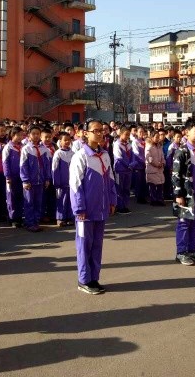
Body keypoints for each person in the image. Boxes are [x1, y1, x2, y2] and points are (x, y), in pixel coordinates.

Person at [69, 119, 117, 294]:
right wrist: (79, 208)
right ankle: (84, 280)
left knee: (97, 245)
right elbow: (75, 185)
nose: (100, 134)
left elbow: (111, 179)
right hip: (85, 212)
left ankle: (94, 277)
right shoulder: (80, 156)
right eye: (95, 131)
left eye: (101, 131)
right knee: (84, 245)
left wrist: (112, 201)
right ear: (86, 133)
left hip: (101, 209)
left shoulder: (104, 155)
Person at [172, 117, 195, 266]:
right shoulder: (182, 151)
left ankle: (193, 250)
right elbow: (175, 175)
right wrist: (178, 194)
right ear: (186, 132)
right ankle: (181, 252)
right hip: (187, 195)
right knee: (184, 223)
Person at [20, 126, 51, 232]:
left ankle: (36, 222)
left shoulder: (44, 150)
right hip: (30, 182)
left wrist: (47, 178)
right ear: (29, 135)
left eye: (38, 133)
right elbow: (23, 166)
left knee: (38, 202)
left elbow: (47, 166)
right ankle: (29, 223)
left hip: (40, 181)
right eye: (34, 134)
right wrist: (25, 180)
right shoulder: (26, 149)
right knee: (29, 202)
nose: (36, 136)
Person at [2, 127, 25, 228]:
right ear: (12, 135)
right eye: (18, 135)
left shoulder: (24, 146)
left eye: (21, 135)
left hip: (22, 175)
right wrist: (7, 175)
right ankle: (12, 218)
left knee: (20, 196)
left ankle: (19, 217)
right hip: (12, 176)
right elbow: (5, 162)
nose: (20, 137)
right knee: (11, 197)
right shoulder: (8, 147)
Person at [52, 132, 75, 226]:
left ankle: (69, 217)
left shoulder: (73, 153)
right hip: (61, 183)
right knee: (61, 200)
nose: (67, 142)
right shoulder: (58, 153)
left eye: (69, 140)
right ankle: (60, 218)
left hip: (71, 183)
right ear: (60, 141)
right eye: (65, 140)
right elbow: (55, 168)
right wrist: (56, 182)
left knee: (70, 200)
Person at [112, 126, 133, 214]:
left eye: (128, 135)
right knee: (119, 188)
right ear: (121, 134)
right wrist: (128, 165)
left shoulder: (129, 144)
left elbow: (132, 156)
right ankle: (120, 206)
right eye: (125, 134)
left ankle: (125, 205)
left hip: (128, 170)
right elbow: (119, 158)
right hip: (120, 169)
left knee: (126, 188)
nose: (127, 136)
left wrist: (132, 164)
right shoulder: (117, 144)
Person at [145, 130, 166, 206]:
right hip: (152, 169)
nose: (158, 138)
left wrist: (163, 163)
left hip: (159, 169)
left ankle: (159, 199)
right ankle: (153, 200)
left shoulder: (159, 146)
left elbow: (162, 156)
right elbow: (148, 158)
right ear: (152, 137)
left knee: (160, 185)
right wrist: (156, 164)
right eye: (156, 137)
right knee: (153, 186)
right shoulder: (149, 146)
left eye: (158, 137)